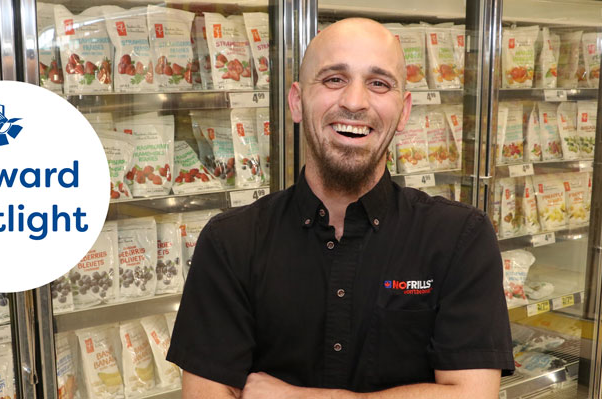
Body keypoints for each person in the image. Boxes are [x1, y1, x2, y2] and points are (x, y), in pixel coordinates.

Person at [167, 18, 514, 398]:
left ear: (403, 112)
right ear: (297, 102)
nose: (354, 101)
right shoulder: (229, 242)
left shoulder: (459, 238)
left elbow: (473, 394)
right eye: (334, 79)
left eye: (378, 83)